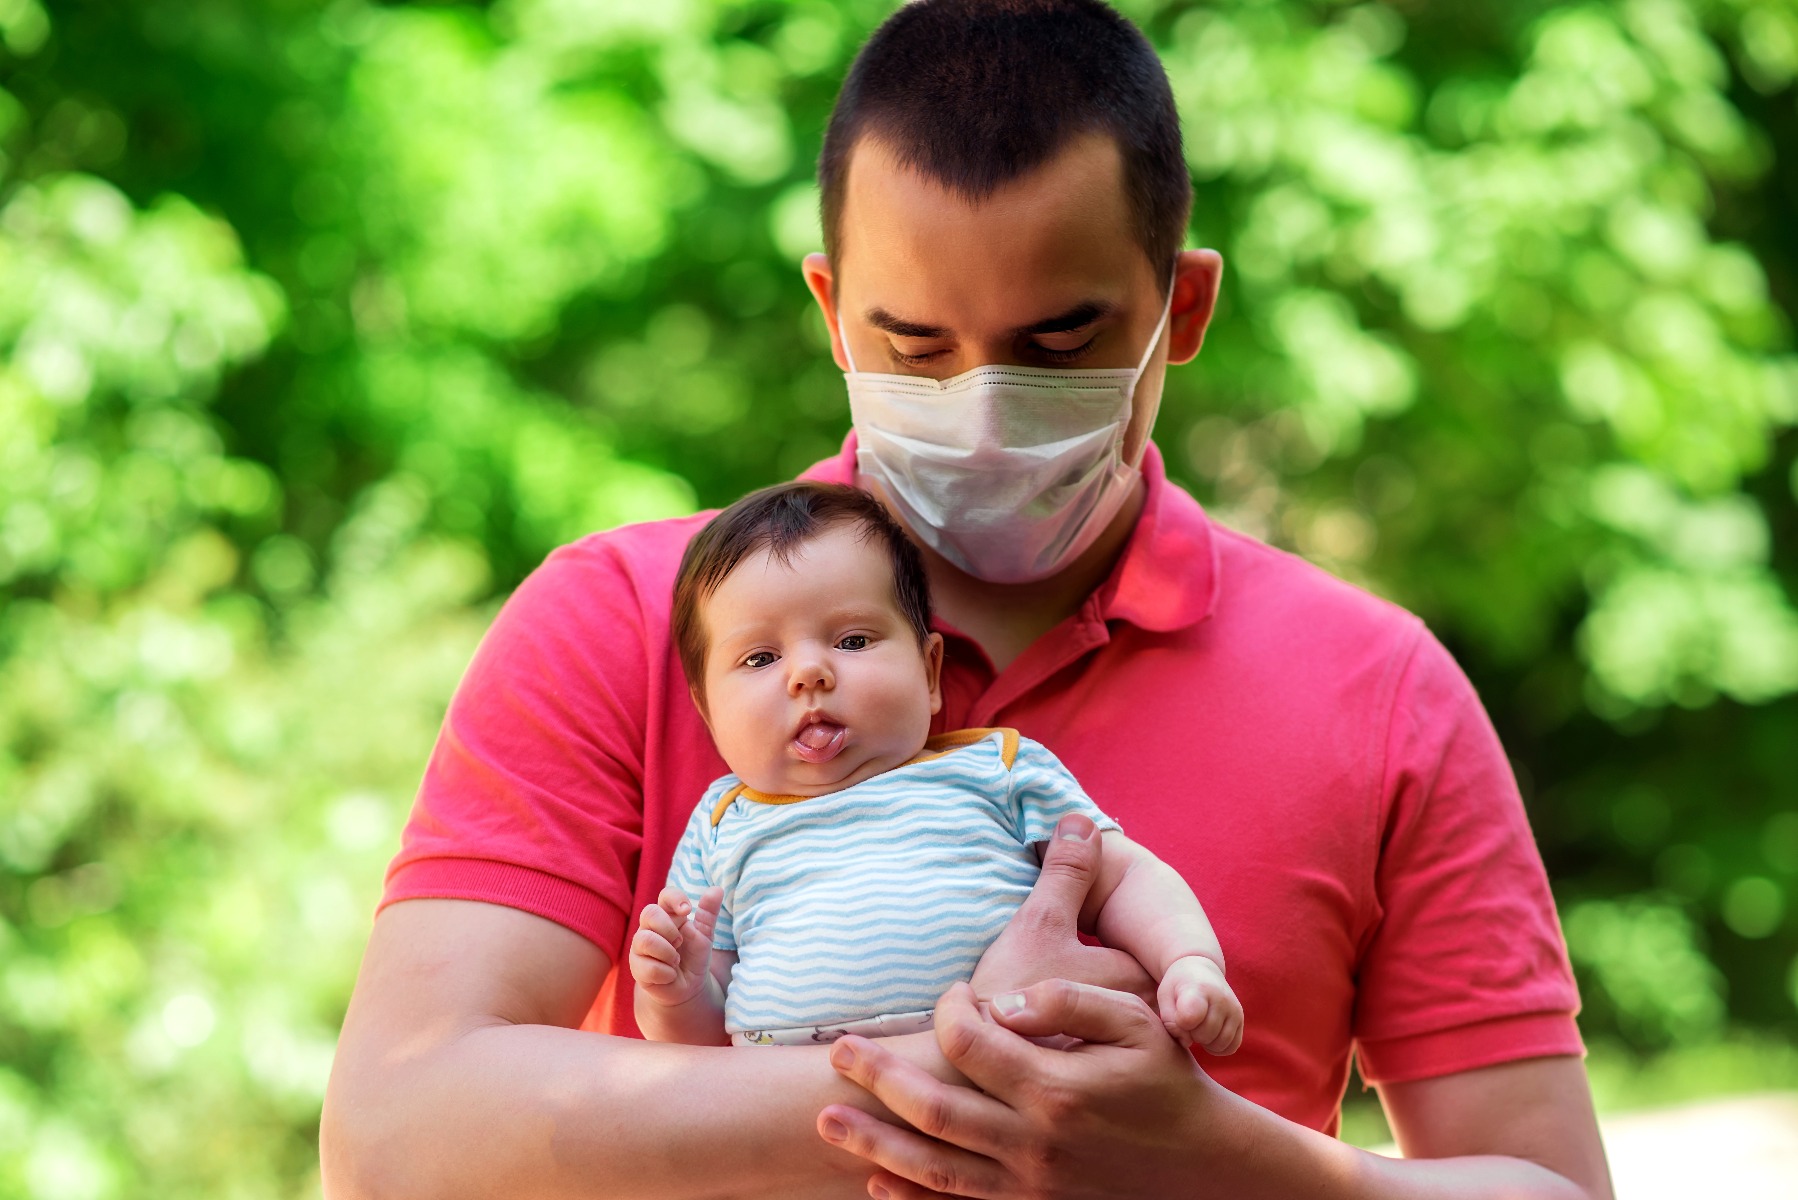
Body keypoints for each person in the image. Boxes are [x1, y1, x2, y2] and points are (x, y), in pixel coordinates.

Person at [321, 2, 1616, 1198]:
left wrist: (1218, 1164)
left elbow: (1545, 1182)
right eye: (913, 346)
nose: (984, 407)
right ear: (830, 313)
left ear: (1186, 307)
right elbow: (396, 1133)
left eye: (1058, 344)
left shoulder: (1374, 691)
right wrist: (970, 1090)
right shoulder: (618, 620)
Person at [630, 482, 1243, 1056]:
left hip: (1016, 1093)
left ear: (928, 673)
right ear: (709, 714)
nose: (807, 674)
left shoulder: (995, 769)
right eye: (761, 657)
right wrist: (677, 993)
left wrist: (1188, 960)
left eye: (852, 641)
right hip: (798, 1129)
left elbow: (1126, 875)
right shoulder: (720, 824)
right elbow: (698, 1040)